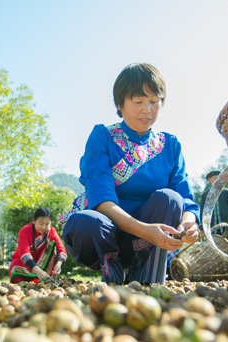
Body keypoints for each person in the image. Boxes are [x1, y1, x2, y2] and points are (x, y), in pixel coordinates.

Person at [61, 63, 200, 285]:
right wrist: (145, 231)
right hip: (107, 236)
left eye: (154, 102)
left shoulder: (170, 145)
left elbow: (185, 199)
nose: (147, 109)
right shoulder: (103, 136)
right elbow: (101, 198)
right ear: (119, 104)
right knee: (85, 222)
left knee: (171, 199)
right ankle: (112, 276)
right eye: (138, 102)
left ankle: (147, 280)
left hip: (152, 241)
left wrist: (187, 224)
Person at [9, 207, 68, 283]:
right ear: (34, 220)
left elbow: (61, 250)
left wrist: (58, 264)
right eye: (41, 223)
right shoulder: (25, 230)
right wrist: (37, 270)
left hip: (44, 267)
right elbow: (24, 253)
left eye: (47, 224)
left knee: (51, 248)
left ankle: (47, 279)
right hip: (25, 265)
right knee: (15, 264)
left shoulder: (52, 231)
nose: (43, 227)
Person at [198, 170, 228, 248]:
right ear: (209, 179)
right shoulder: (205, 195)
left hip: (227, 226)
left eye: (219, 178)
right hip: (211, 227)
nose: (218, 180)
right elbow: (202, 211)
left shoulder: (226, 193)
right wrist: (201, 227)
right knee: (213, 248)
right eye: (215, 178)